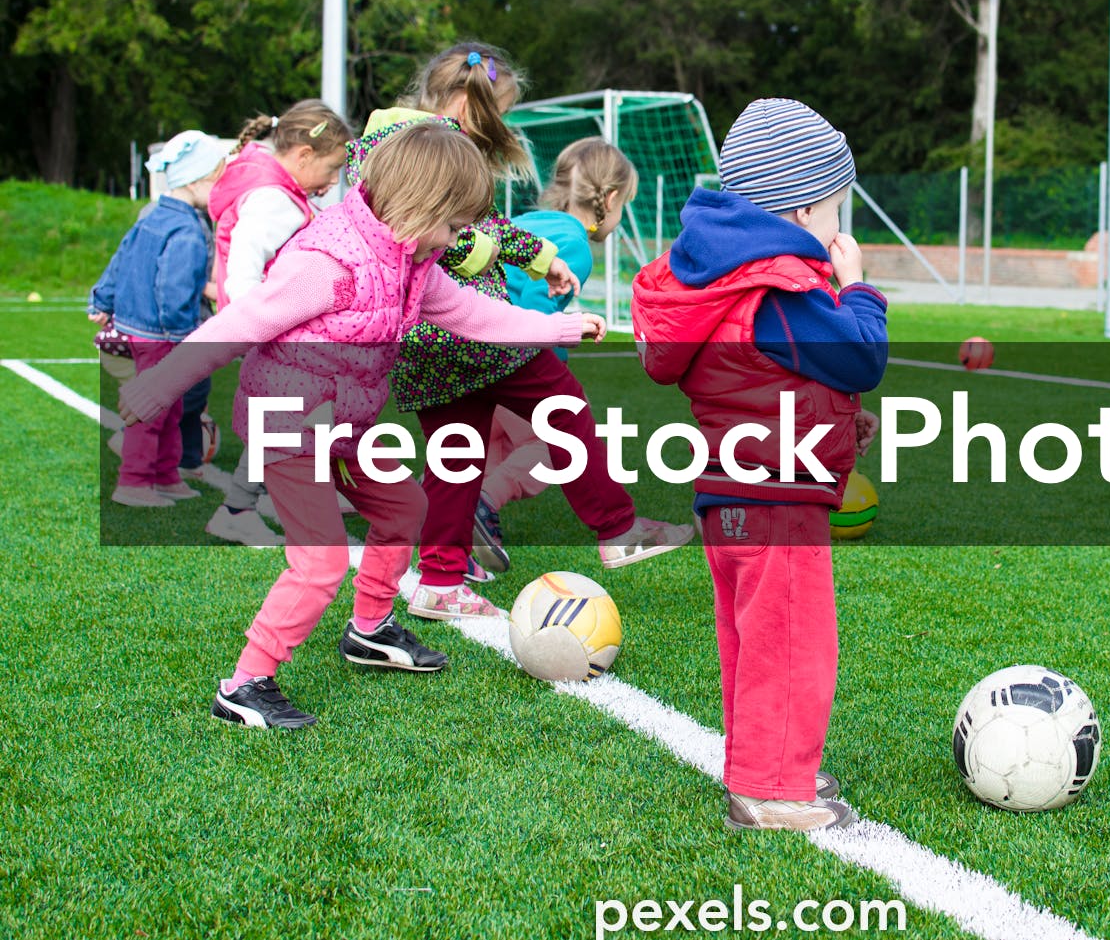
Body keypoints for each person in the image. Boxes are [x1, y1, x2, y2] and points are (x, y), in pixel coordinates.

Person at [117, 121, 606, 730]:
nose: (460, 240)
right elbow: (241, 322)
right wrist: (158, 385)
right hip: (288, 425)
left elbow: (473, 315)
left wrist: (558, 327)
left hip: (343, 424)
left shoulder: (413, 259)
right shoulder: (328, 261)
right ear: (419, 206)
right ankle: (244, 685)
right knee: (320, 560)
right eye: (455, 226)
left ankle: (370, 630)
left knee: (405, 508)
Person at [348, 42, 691, 621]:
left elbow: (482, 224)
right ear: (464, 101)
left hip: (425, 341)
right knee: (563, 403)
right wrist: (507, 266)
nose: (497, 128)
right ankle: (617, 527)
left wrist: (541, 259)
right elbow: (448, 238)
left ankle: (438, 581)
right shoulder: (423, 146)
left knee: (455, 457)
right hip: (466, 329)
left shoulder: (387, 139)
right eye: (495, 114)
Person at [631, 98, 889, 831]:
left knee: (752, 639)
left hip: (732, 491)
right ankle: (772, 789)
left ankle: (763, 762)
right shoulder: (778, 286)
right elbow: (860, 353)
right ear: (804, 207)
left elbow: (764, 379)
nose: (840, 227)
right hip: (776, 498)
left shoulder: (724, 280)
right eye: (837, 208)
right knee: (791, 639)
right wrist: (859, 287)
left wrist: (837, 422)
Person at [470, 138, 641, 570]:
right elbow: (532, 311)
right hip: (504, 356)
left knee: (473, 449)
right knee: (553, 446)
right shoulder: (575, 246)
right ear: (611, 198)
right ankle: (485, 503)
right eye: (625, 206)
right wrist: (562, 333)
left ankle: (444, 513)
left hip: (465, 350)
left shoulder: (528, 221)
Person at [202, 99, 355, 547]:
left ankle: (264, 498)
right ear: (303, 156)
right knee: (292, 416)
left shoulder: (279, 191)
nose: (332, 183)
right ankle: (238, 507)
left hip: (277, 328)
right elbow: (245, 272)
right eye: (330, 169)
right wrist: (265, 325)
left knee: (302, 413)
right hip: (273, 331)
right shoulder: (273, 201)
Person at [89, 130, 225, 507]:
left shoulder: (153, 214)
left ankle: (165, 475)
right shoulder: (187, 229)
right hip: (163, 333)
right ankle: (133, 482)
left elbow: (121, 257)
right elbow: (174, 288)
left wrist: (102, 298)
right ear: (197, 180)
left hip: (141, 326)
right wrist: (184, 338)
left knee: (171, 405)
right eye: (218, 179)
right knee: (153, 407)